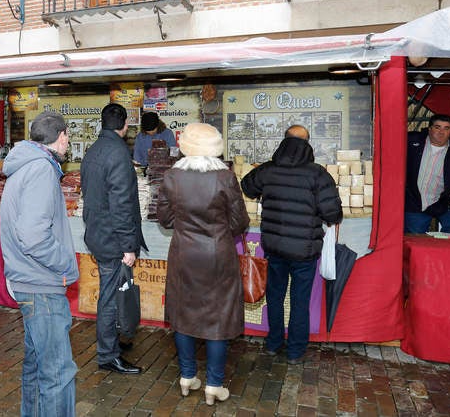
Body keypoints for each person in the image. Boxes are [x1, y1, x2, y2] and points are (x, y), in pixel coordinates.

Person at [157, 123, 249, 406]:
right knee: (217, 318)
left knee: (183, 314)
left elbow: (165, 220)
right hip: (218, 256)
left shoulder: (172, 176)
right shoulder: (225, 177)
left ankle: (187, 377)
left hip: (184, 254)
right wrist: (217, 231)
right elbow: (240, 222)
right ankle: (214, 385)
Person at [0, 111, 80, 416]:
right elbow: (33, 236)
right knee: (57, 372)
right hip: (41, 283)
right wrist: (65, 264)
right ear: (60, 136)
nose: (68, 142)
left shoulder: (27, 165)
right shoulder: (41, 170)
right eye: (68, 136)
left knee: (37, 366)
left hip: (29, 279)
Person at [240, 125, 342, 365]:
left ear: (284, 141)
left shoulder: (268, 169)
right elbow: (333, 214)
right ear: (308, 144)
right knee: (300, 301)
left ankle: (273, 343)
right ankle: (295, 351)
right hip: (304, 251)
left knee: (275, 297)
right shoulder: (317, 174)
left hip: (274, 248)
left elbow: (246, 186)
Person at [80, 103, 147, 375]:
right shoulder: (119, 153)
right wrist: (128, 246)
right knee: (110, 298)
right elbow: (122, 205)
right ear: (125, 125)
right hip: (112, 238)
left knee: (112, 294)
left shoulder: (94, 150)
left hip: (98, 233)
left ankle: (112, 342)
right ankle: (107, 355)